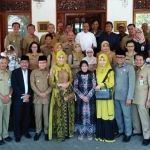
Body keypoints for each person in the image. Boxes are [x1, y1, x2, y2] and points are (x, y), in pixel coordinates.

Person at [48, 50, 75, 141]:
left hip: (68, 92)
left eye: (62, 57)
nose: (61, 59)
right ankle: (60, 133)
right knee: (59, 113)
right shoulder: (54, 68)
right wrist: (59, 85)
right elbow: (51, 81)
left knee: (68, 112)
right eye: (59, 57)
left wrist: (68, 83)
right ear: (57, 58)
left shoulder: (67, 67)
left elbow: (71, 78)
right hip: (57, 93)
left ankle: (68, 132)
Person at [113, 50, 135, 142]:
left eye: (121, 57)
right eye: (118, 57)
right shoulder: (114, 66)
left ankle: (128, 133)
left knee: (127, 116)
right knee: (118, 115)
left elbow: (132, 84)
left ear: (125, 58)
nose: (119, 59)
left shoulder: (130, 68)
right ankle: (121, 130)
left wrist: (129, 98)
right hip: (115, 95)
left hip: (125, 97)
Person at [11, 55, 33, 142]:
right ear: (20, 63)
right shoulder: (15, 72)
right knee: (17, 117)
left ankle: (25, 131)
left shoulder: (31, 72)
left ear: (29, 63)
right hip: (18, 98)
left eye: (26, 62)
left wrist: (28, 95)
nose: (24, 64)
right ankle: (17, 134)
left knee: (26, 116)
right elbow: (14, 85)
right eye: (23, 62)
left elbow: (33, 85)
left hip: (28, 98)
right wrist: (23, 95)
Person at [30, 55, 51, 141]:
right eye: (40, 63)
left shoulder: (49, 72)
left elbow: (52, 85)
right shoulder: (34, 72)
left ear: (46, 63)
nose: (42, 64)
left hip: (46, 97)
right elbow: (32, 84)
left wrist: (45, 93)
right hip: (37, 98)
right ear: (38, 63)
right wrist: (39, 93)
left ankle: (46, 132)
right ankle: (38, 132)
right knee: (37, 116)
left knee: (46, 116)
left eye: (44, 62)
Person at [74, 60, 96, 140]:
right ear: (80, 67)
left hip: (90, 99)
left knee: (90, 115)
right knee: (81, 116)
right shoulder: (78, 75)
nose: (84, 67)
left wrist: (88, 96)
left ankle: (90, 133)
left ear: (88, 66)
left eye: (85, 66)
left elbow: (94, 86)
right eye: (82, 66)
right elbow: (75, 87)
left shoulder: (91, 74)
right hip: (81, 100)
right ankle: (81, 132)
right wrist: (82, 96)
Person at [95, 53, 115, 142]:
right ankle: (100, 135)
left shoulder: (110, 70)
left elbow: (111, 83)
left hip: (106, 97)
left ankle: (108, 136)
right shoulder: (97, 70)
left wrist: (101, 85)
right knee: (100, 113)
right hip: (99, 97)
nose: (102, 62)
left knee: (107, 114)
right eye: (100, 60)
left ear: (106, 60)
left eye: (103, 60)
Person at [132, 53, 150, 146]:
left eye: (140, 60)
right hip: (134, 97)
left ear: (144, 60)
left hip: (143, 99)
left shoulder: (148, 70)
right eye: (136, 60)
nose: (138, 61)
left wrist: (149, 100)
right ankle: (137, 131)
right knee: (135, 116)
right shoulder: (135, 69)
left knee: (144, 118)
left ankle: (147, 136)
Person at [0, 56, 13, 145]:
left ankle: (5, 135)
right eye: (2, 63)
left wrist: (9, 96)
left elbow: (12, 86)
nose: (4, 64)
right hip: (0, 99)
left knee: (6, 118)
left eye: (5, 63)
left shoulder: (10, 73)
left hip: (8, 99)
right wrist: (2, 97)